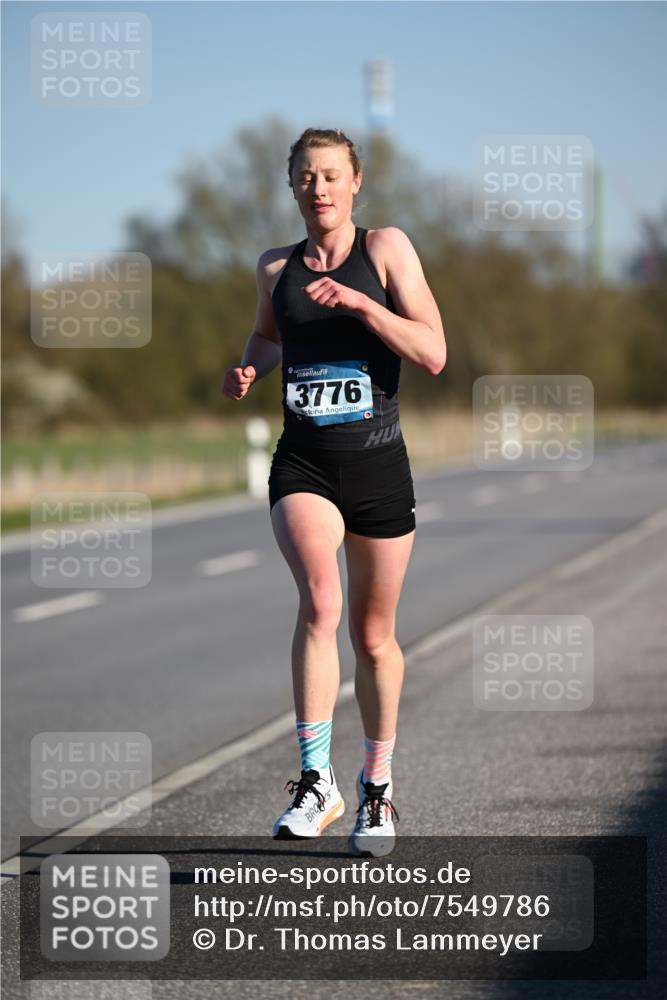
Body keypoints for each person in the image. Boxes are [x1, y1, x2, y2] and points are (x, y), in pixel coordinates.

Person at [222, 127, 446, 856]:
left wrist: (363, 308)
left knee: (373, 637)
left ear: (354, 184)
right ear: (290, 188)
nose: (316, 188)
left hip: (379, 467)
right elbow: (267, 336)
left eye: (329, 176)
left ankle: (375, 787)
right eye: (304, 177)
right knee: (320, 601)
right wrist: (249, 368)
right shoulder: (274, 266)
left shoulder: (385, 250)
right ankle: (314, 779)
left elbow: (433, 352)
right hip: (304, 465)